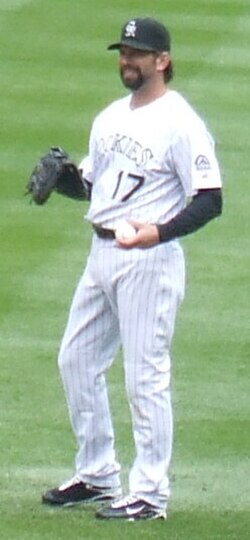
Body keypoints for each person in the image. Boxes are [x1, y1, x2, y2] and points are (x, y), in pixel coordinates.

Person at [42, 17, 223, 521]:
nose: (128, 61)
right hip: (101, 253)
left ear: (162, 60)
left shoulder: (180, 122)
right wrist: (64, 181)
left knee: (145, 377)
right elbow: (94, 187)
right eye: (123, 52)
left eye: (138, 53)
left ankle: (149, 493)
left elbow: (210, 199)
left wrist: (158, 233)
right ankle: (98, 474)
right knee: (75, 359)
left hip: (149, 261)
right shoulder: (110, 118)